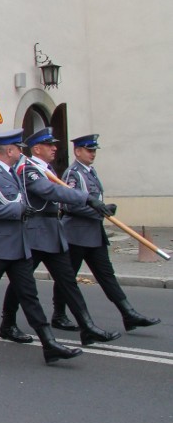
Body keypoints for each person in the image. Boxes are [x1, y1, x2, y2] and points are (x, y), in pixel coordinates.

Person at [0, 129, 82, 363]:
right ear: (10, 151)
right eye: (18, 149)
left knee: (30, 296)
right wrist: (15, 210)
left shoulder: (15, 174)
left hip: (19, 246)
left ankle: (48, 343)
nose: (22, 153)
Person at [0, 127, 121, 346]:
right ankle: (8, 323)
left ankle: (87, 327)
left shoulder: (46, 168)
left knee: (68, 281)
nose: (55, 148)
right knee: (21, 282)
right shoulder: (29, 169)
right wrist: (87, 199)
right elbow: (50, 191)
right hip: (35, 233)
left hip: (52, 233)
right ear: (37, 148)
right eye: (49, 145)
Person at [56, 134, 160, 332]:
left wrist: (103, 209)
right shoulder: (73, 174)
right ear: (77, 151)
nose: (93, 154)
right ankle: (59, 314)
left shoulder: (90, 172)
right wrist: (100, 210)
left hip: (93, 234)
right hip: (76, 234)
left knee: (106, 275)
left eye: (94, 150)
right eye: (89, 150)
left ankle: (128, 313)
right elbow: (68, 205)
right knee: (67, 277)